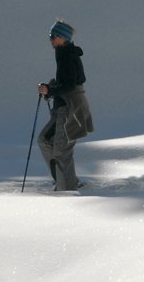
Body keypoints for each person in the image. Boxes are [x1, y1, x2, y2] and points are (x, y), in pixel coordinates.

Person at [37, 19, 95, 191]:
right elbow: (68, 82)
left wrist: (49, 90)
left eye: (53, 36)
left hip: (70, 108)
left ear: (62, 37)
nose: (50, 39)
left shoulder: (67, 55)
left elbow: (69, 85)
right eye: (50, 36)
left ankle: (66, 190)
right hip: (64, 106)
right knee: (45, 140)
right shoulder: (64, 53)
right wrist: (51, 88)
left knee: (61, 150)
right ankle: (65, 181)